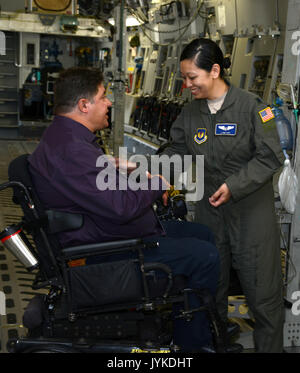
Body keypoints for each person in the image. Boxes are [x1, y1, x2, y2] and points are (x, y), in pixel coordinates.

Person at [27, 66, 241, 353]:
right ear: (83, 105)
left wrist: (118, 167)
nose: (110, 103)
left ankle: (200, 322)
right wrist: (154, 183)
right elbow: (122, 207)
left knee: (200, 234)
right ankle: (194, 344)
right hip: (106, 250)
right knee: (205, 255)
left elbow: (94, 185)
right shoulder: (73, 151)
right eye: (103, 97)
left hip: (103, 232)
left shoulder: (65, 139)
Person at [160, 38, 285, 353]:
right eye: (184, 78)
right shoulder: (191, 113)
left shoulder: (252, 108)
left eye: (193, 78)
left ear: (215, 71)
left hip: (250, 214)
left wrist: (235, 185)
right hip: (210, 214)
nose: (187, 84)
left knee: (262, 296)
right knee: (209, 290)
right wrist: (155, 174)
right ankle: (215, 344)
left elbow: (270, 158)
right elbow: (176, 150)